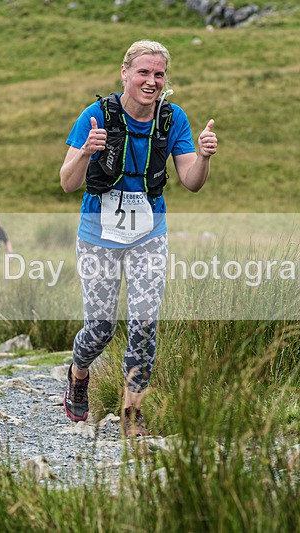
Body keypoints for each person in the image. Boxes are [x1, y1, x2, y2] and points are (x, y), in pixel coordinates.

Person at [59, 40, 217, 436]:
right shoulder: (96, 115)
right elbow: (66, 183)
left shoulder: (172, 118)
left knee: (145, 321)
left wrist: (205, 156)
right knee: (100, 328)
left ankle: (132, 412)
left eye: (159, 74)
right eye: (143, 72)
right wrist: (85, 152)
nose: (151, 81)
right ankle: (79, 374)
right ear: (125, 73)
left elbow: (191, 182)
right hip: (98, 234)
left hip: (149, 234)